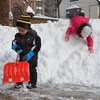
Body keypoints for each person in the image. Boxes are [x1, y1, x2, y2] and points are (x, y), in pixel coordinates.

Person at [12, 15, 41, 89]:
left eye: (22, 30)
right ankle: (19, 82)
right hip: (22, 55)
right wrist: (16, 48)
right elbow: (14, 43)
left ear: (27, 28)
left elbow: (37, 46)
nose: (20, 32)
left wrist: (30, 54)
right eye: (19, 30)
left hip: (32, 56)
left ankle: (32, 83)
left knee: (32, 69)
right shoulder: (17, 36)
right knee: (20, 69)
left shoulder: (34, 36)